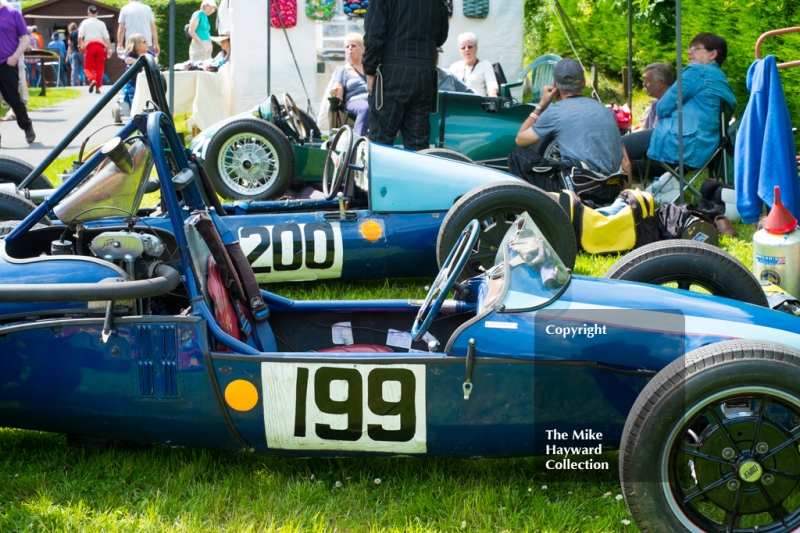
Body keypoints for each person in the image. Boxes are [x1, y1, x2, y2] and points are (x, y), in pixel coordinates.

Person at [621, 33, 736, 184]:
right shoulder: (721, 80)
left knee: (615, 145)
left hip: (678, 142)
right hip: (705, 150)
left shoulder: (698, 71)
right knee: (633, 160)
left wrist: (663, 113)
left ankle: (617, 192)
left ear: (712, 54)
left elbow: (663, 106)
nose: (689, 52)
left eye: (695, 48)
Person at [507, 58, 622, 188]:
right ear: (583, 83)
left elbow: (521, 139)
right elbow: (626, 162)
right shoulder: (605, 111)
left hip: (579, 189)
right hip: (611, 188)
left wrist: (541, 105)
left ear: (555, 85)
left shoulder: (555, 112)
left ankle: (535, 204)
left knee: (517, 155)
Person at [363, 0, 448, 151]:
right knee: (418, 141)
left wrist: (369, 70)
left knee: (381, 138)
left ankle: (379, 174)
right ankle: (416, 174)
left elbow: (374, 35)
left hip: (393, 70)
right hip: (425, 71)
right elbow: (441, 36)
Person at [0, 1, 35, 145]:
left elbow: (25, 38)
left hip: (7, 63)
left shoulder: (12, 13)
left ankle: (26, 125)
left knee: (13, 99)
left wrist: (15, 57)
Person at [330, 33, 369, 136]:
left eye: (353, 45)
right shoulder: (342, 70)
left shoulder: (371, 67)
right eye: (347, 46)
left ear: (362, 48)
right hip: (355, 101)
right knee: (365, 108)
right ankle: (357, 141)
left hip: (373, 100)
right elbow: (337, 87)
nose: (350, 48)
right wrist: (335, 92)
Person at [448, 32, 497, 97]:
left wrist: (493, 99)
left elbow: (492, 86)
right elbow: (448, 87)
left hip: (477, 103)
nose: (467, 50)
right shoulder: (455, 66)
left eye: (470, 47)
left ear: (476, 48)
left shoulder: (485, 65)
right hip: (458, 103)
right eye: (463, 48)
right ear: (460, 51)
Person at [79, 5, 112, 94]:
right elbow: (107, 37)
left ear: (88, 13)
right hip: (100, 47)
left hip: (89, 46)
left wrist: (81, 46)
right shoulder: (102, 23)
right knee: (99, 68)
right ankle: (97, 88)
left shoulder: (85, 23)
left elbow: (80, 36)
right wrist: (109, 49)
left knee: (87, 68)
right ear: (97, 13)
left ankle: (92, 80)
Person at [640, 62, 673, 129]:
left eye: (648, 80)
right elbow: (646, 130)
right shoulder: (656, 103)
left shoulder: (674, 105)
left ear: (661, 83)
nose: (644, 84)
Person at [121, 33, 150, 106]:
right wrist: (140, 61)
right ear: (136, 44)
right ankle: (134, 112)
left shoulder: (148, 53)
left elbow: (155, 59)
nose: (147, 43)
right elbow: (127, 60)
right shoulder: (131, 54)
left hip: (145, 82)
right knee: (134, 98)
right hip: (133, 82)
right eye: (144, 42)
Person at [67, 22, 85, 86]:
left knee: (74, 69)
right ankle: (87, 81)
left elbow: (70, 44)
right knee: (85, 68)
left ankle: (73, 83)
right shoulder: (82, 33)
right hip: (82, 52)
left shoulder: (72, 33)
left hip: (74, 52)